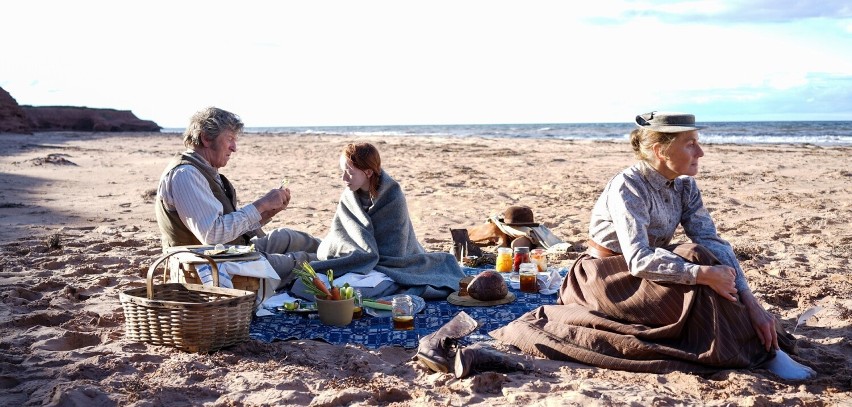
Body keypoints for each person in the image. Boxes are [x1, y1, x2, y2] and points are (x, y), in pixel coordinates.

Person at [484, 112, 814, 379]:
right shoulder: (629, 186)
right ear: (659, 150)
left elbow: (713, 241)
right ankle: (762, 353)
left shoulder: (685, 187)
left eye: (697, 142)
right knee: (698, 262)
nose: (700, 152)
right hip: (605, 278)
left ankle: (757, 343)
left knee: (707, 255)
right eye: (690, 144)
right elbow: (640, 258)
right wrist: (700, 273)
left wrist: (752, 302)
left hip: (646, 273)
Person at [154, 107, 320, 289]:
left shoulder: (206, 171)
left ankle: (345, 250)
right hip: (208, 267)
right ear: (206, 138)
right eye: (230, 139)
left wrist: (267, 211)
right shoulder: (185, 175)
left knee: (288, 237)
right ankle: (345, 262)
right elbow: (212, 235)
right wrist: (261, 204)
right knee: (304, 262)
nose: (234, 148)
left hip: (231, 253)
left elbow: (228, 228)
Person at [291, 142, 465, 300]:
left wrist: (369, 260)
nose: (344, 178)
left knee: (355, 292)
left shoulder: (393, 196)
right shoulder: (349, 196)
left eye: (349, 172)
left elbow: (396, 249)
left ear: (368, 172)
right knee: (303, 284)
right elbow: (340, 236)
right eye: (342, 172)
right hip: (357, 261)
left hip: (390, 266)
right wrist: (359, 257)